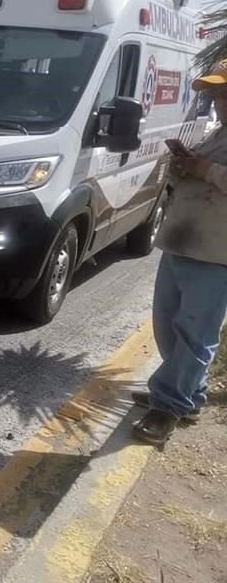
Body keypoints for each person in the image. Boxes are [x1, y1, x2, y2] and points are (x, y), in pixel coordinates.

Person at [132, 60, 227, 445]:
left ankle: (168, 406)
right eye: (216, 94)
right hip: (182, 241)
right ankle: (187, 394)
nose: (218, 101)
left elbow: (212, 173)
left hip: (215, 253)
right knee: (169, 323)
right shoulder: (218, 133)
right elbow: (195, 172)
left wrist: (205, 169)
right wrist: (182, 166)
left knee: (195, 334)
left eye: (223, 94)